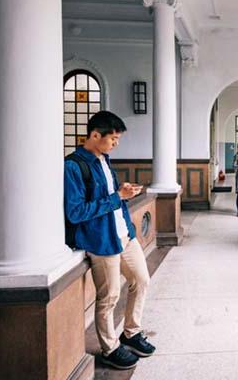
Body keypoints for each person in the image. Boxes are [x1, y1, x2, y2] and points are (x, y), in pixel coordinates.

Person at [64, 111, 155, 370]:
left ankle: (131, 332)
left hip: (123, 235)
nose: (116, 143)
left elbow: (111, 196)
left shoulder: (104, 159)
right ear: (95, 135)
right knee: (109, 296)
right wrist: (118, 196)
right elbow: (75, 211)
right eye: (113, 138)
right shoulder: (73, 166)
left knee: (141, 280)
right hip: (100, 241)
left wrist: (122, 194)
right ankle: (110, 347)